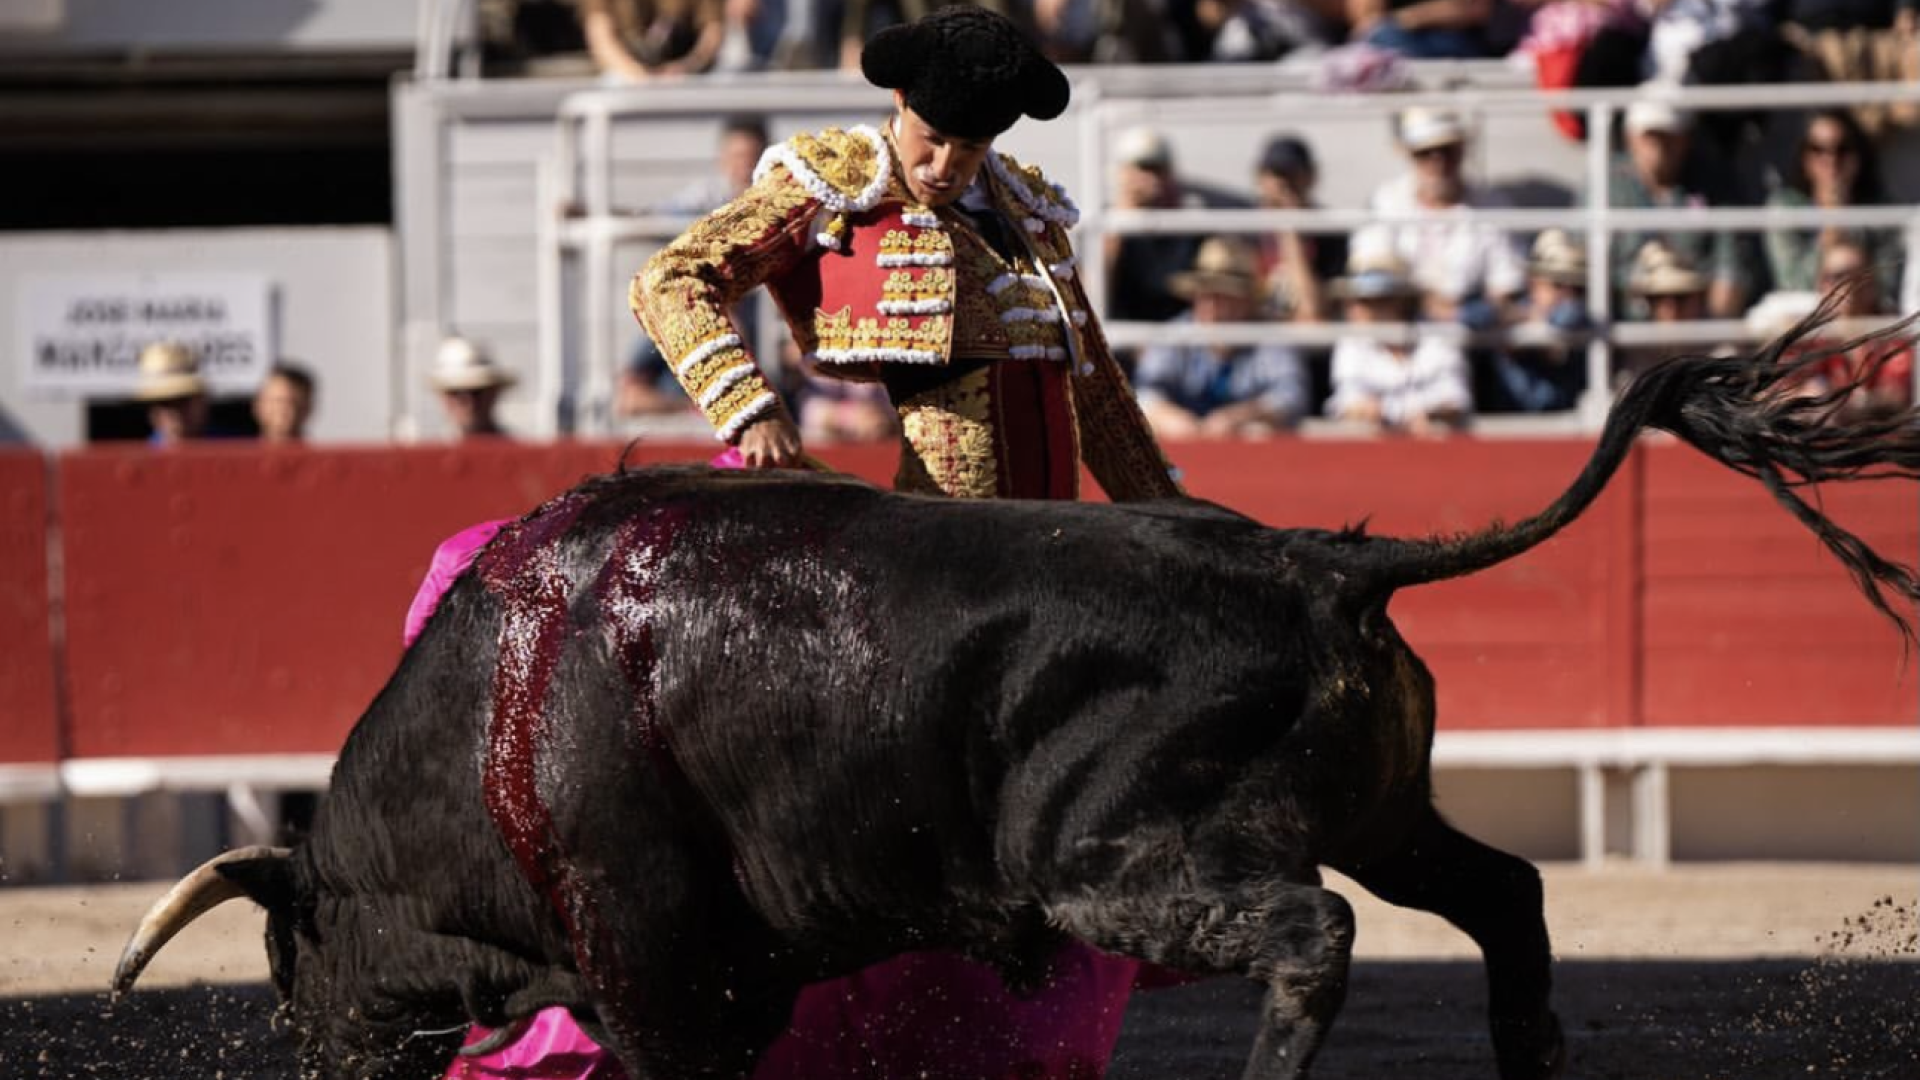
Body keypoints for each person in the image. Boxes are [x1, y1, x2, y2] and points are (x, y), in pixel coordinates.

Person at [635, 4, 1181, 503]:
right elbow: (671, 277)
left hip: (1053, 547)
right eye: (933, 137)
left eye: (970, 148)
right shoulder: (838, 181)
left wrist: (1171, 516)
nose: (943, 166)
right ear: (900, 100)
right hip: (941, 547)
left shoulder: (1028, 210)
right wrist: (750, 411)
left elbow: (1094, 391)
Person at [617, 115, 775, 423]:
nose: (742, 166)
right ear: (722, 160)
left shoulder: (780, 200)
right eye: (735, 157)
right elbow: (653, 218)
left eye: (749, 157)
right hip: (711, 303)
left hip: (758, 306)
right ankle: (693, 405)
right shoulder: (707, 197)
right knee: (669, 302)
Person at [1357, 107, 1527, 332]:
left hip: (1477, 329)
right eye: (1425, 153)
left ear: (1461, 151)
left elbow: (1506, 280)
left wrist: (1474, 311)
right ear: (1410, 156)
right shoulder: (1386, 201)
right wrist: (1432, 306)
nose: (1438, 162)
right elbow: (1373, 268)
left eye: (1447, 150)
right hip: (1404, 320)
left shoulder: (1492, 204)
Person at [1132, 236, 1312, 438]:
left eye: (1224, 295)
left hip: (1251, 460)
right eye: (1204, 294)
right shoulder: (1177, 333)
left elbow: (1292, 395)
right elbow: (1145, 392)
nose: (1211, 306)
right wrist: (1172, 419)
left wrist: (1242, 417)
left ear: (1247, 301)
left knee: (1260, 433)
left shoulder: (1269, 335)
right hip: (1183, 457)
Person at [1598, 97, 1758, 320]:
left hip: (1695, 322)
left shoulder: (1715, 182)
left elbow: (1731, 269)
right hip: (1624, 325)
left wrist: (1708, 340)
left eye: (1669, 136)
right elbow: (1585, 268)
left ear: (1686, 138)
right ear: (1631, 138)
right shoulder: (1605, 184)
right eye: (1651, 136)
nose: (1660, 147)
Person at [1323, 249, 1473, 436]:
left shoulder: (1438, 339)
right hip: (1372, 457)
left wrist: (1419, 417)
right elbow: (1351, 404)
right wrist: (1406, 417)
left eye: (1370, 301)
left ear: (1399, 303)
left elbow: (1453, 401)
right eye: (1354, 301)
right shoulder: (1351, 346)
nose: (1356, 310)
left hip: (1439, 455)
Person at [1765, 107, 1902, 301]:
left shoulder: (1881, 212)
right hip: (1806, 319)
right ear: (1805, 159)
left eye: (1842, 149)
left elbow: (1888, 288)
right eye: (1818, 149)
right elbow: (1793, 285)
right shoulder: (1785, 209)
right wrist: (1831, 227)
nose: (1831, 160)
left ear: (1858, 157)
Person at [1781, 238, 1915, 422]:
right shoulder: (1804, 336)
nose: (1849, 285)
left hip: (1877, 444)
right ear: (1821, 284)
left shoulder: (1893, 332)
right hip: (1817, 445)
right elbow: (1769, 396)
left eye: (1859, 276)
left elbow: (1897, 398)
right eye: (1839, 276)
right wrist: (1806, 397)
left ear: (1873, 284)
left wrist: (1834, 406)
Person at [1103, 125, 1210, 329]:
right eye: (1143, 168)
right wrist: (1122, 216)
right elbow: (1093, 294)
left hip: (1179, 342)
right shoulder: (1106, 226)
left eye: (1159, 169)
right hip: (1122, 341)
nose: (1152, 179)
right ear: (1123, 174)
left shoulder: (1191, 229)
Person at [1483, 228, 1591, 413]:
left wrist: (1535, 325)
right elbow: (1485, 316)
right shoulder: (1516, 311)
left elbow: (1569, 317)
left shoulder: (1579, 313)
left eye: (1577, 287)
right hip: (1511, 425)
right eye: (1558, 284)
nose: (1568, 295)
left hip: (1566, 424)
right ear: (1532, 282)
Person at [1251, 133, 1346, 324]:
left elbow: (1314, 310)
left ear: (1311, 176)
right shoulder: (1244, 229)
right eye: (1276, 174)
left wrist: (1290, 231)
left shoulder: (1330, 234)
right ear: (1260, 179)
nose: (1284, 184)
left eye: (1292, 174)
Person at [580, 0, 729, 81]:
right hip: (627, 71)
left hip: (691, 72)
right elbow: (601, 39)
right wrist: (638, 75)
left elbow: (713, 33)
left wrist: (685, 68)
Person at [431, 335, 517, 440]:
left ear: (494, 392)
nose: (468, 401)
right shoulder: (430, 451)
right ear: (442, 396)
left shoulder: (519, 453)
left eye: (476, 392)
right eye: (455, 392)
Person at [132, 341, 216, 446]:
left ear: (202, 401)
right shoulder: (138, 457)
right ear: (152, 413)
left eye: (182, 400)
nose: (175, 413)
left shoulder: (232, 445)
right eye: (164, 403)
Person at [252, 362, 316, 443]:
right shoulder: (239, 454)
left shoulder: (322, 455)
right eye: (277, 401)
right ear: (258, 405)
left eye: (293, 402)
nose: (282, 409)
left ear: (308, 408)